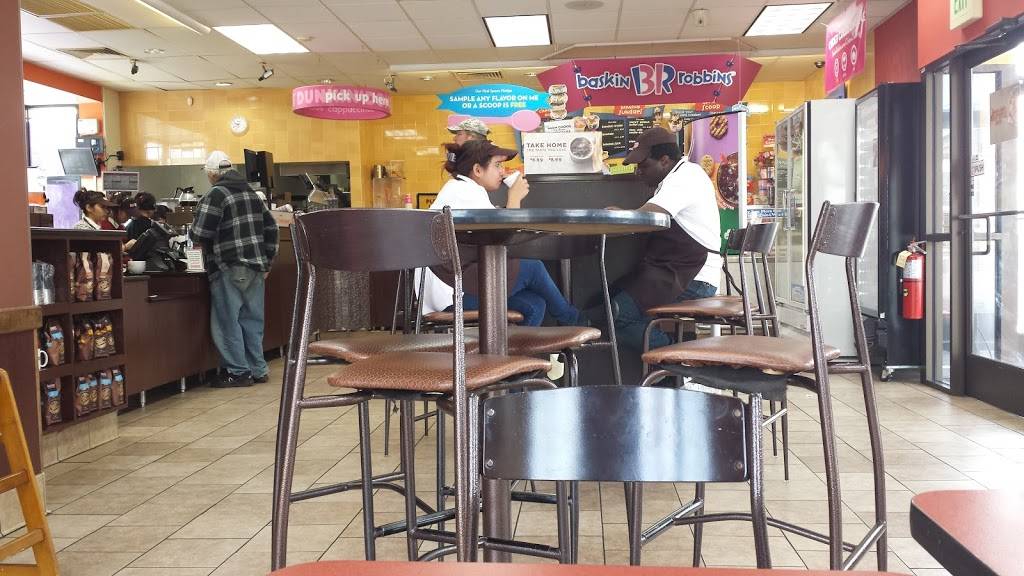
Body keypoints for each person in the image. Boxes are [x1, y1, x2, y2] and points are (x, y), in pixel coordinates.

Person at [420, 139, 581, 326]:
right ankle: (574, 319)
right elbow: (504, 238)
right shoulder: (464, 191)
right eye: (497, 165)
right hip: (452, 294)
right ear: (478, 170)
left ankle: (513, 347)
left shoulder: (462, 188)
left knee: (534, 305)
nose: (502, 172)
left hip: (456, 284)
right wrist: (514, 198)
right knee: (533, 268)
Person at [606, 127, 723, 351]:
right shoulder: (676, 177)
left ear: (665, 160)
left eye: (643, 165)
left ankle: (680, 357)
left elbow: (647, 217)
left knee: (618, 314)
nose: (638, 172)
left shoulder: (685, 177)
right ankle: (672, 360)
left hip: (694, 278)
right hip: (679, 271)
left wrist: (620, 215)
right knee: (611, 300)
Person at [190, 151, 279, 388]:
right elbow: (272, 228)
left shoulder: (216, 194)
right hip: (256, 268)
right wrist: (267, 261)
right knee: (252, 321)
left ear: (212, 174)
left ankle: (238, 372)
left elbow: (200, 233)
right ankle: (258, 370)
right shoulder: (252, 194)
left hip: (229, 265)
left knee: (227, 321)